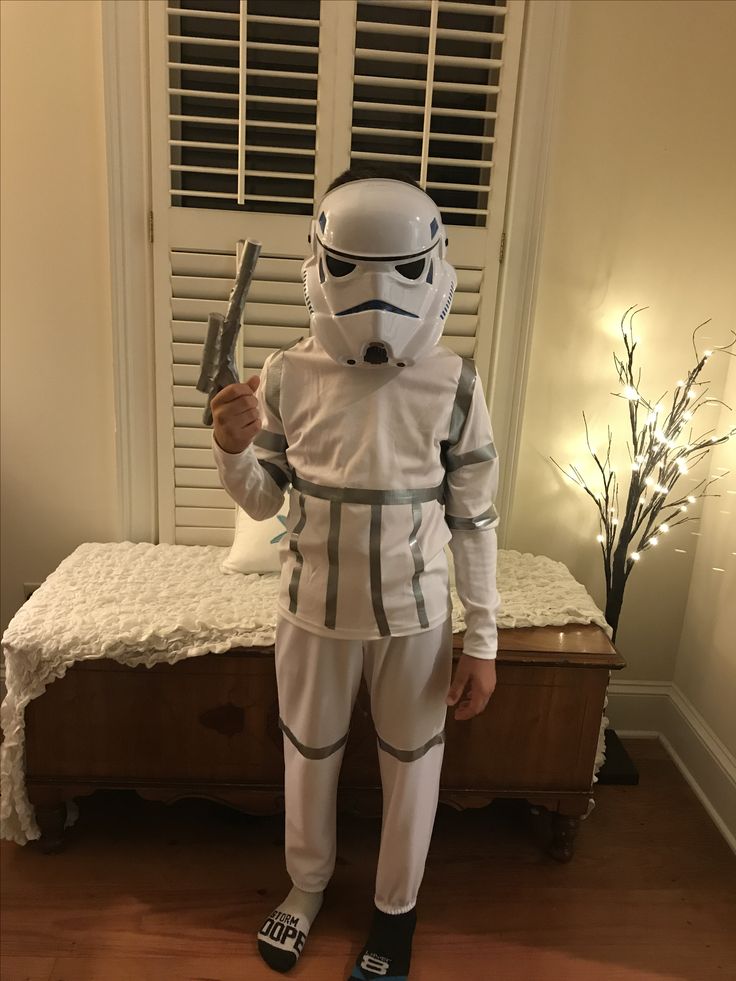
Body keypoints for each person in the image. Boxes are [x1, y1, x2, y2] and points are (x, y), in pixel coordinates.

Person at [210, 166, 500, 981]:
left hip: (415, 616)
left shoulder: (454, 384)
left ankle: (395, 911)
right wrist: (232, 450)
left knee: (415, 763)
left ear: (433, 265)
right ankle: (305, 888)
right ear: (322, 263)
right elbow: (265, 502)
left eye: (401, 268)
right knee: (309, 752)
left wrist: (484, 637)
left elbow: (475, 516)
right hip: (312, 609)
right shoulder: (287, 375)